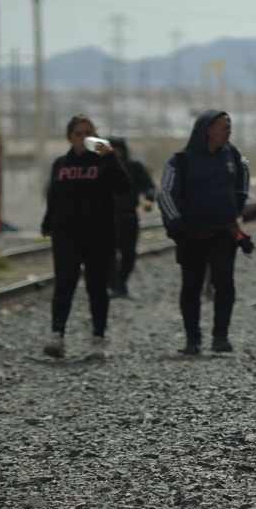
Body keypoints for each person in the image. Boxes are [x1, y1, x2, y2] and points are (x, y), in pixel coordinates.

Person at [158, 111, 251, 355]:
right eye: (223, 127)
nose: (228, 131)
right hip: (191, 234)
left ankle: (220, 337)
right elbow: (165, 192)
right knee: (191, 285)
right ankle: (193, 339)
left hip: (223, 232)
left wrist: (238, 202)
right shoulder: (181, 160)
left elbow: (244, 173)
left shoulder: (232, 155)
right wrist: (176, 224)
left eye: (229, 126)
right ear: (208, 130)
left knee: (224, 283)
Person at [41, 115, 130, 359]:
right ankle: (57, 335)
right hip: (67, 232)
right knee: (65, 281)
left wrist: (110, 157)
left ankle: (98, 339)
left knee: (97, 286)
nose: (84, 138)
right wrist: (48, 221)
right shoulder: (61, 163)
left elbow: (123, 187)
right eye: (78, 134)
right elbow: (54, 195)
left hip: (100, 232)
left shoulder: (104, 162)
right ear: (70, 137)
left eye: (88, 133)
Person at [107, 137, 156, 298]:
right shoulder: (103, 167)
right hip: (107, 218)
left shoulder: (134, 167)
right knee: (108, 254)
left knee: (129, 254)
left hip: (128, 216)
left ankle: (121, 284)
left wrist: (149, 199)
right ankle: (115, 285)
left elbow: (148, 185)